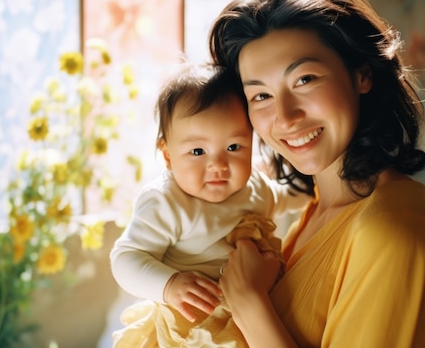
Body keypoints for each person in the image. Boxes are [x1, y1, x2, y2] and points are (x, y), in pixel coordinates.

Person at [208, 0, 425, 348]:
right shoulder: (314, 213)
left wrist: (248, 303)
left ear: (362, 74)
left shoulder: (394, 228)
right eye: (260, 95)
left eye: (304, 80)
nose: (286, 117)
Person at [109, 62, 310, 348]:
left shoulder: (254, 186)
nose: (217, 164)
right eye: (198, 151)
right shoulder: (167, 202)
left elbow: (286, 197)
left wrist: (316, 186)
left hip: (248, 325)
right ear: (167, 156)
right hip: (190, 329)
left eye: (233, 147)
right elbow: (126, 259)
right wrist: (169, 285)